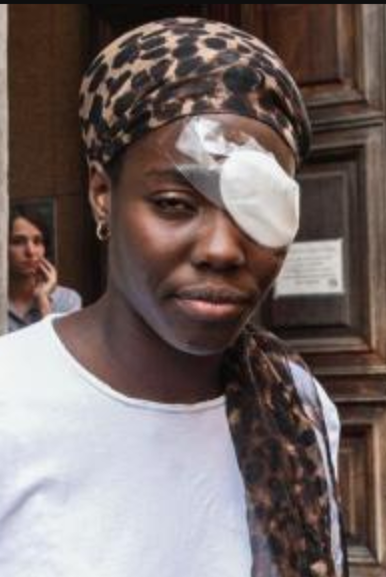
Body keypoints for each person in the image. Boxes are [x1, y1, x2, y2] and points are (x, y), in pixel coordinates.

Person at [0, 18, 345, 577]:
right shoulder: (12, 399)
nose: (222, 249)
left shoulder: (296, 405)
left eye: (256, 209)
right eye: (173, 204)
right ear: (102, 193)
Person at [7, 204, 81, 332]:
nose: (30, 251)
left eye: (37, 241)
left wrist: (43, 301)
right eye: (18, 242)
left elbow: (59, 345)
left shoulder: (67, 300)